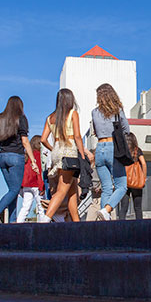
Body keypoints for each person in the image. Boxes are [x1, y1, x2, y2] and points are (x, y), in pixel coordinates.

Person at [39, 88, 92, 223]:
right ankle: (46, 219)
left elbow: (43, 139)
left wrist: (53, 149)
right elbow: (78, 137)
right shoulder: (73, 114)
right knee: (62, 190)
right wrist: (83, 154)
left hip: (56, 150)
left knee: (72, 191)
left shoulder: (50, 117)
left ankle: (76, 222)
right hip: (69, 150)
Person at [0, 96, 38, 224]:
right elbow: (25, 141)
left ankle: (12, 222)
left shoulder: (0, 118)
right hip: (16, 157)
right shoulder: (21, 118)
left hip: (2, 156)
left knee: (12, 190)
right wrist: (33, 160)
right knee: (15, 189)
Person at [91, 83, 130, 222]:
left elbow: (95, 131)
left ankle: (103, 222)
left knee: (106, 188)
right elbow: (126, 129)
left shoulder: (94, 112)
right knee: (122, 186)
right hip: (113, 148)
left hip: (99, 149)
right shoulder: (117, 110)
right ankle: (106, 210)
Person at [118, 132, 147, 220]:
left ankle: (121, 227)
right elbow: (144, 164)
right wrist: (144, 178)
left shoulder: (122, 151)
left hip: (124, 181)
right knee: (138, 208)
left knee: (123, 208)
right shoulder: (137, 150)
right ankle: (139, 228)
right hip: (137, 181)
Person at [17, 135, 44, 223]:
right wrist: (42, 186)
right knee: (41, 207)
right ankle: (43, 225)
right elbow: (39, 171)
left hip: (26, 184)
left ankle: (18, 223)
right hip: (36, 184)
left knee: (25, 207)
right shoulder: (38, 155)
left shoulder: (26, 156)